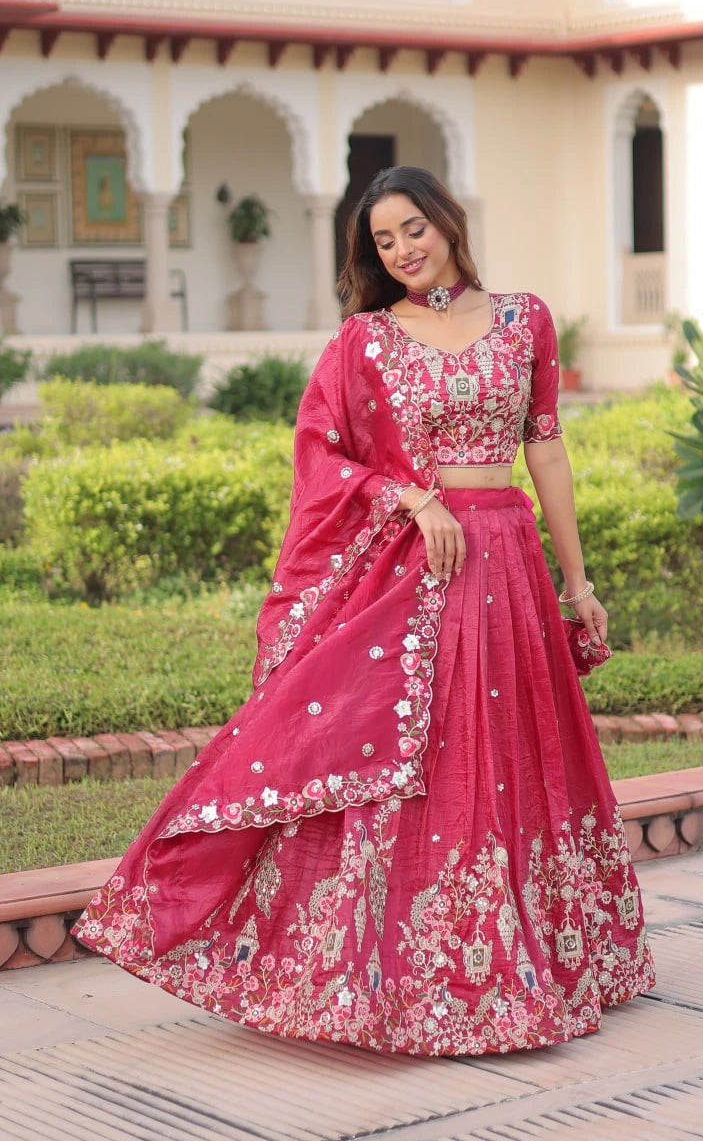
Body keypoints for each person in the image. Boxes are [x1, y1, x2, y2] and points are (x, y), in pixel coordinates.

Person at [72, 166, 654, 1056]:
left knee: (513, 757)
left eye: (412, 228)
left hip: (510, 562)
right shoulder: (365, 341)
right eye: (383, 241)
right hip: (421, 568)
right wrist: (411, 501)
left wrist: (577, 582)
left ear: (448, 222)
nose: (402, 250)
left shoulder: (523, 318)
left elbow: (547, 452)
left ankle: (543, 954)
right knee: (426, 759)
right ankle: (402, 972)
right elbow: (321, 457)